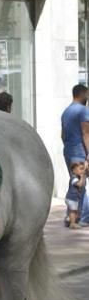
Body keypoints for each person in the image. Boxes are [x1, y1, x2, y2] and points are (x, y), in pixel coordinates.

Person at [61, 84, 89, 225]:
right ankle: (80, 218)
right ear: (81, 94)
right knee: (79, 184)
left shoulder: (66, 112)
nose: (88, 97)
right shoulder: (83, 110)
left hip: (69, 150)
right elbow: (86, 133)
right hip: (79, 151)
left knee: (77, 184)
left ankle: (72, 217)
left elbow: (63, 135)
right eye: (87, 94)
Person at [65, 160, 86, 229]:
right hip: (71, 198)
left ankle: (69, 220)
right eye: (80, 169)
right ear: (74, 170)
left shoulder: (77, 177)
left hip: (74, 198)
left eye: (83, 169)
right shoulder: (73, 178)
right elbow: (79, 185)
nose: (82, 171)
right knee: (73, 211)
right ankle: (72, 224)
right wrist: (82, 177)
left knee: (74, 211)